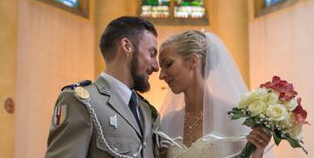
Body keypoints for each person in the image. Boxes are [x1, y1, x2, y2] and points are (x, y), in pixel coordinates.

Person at [45, 16, 160, 157]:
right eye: (152, 53)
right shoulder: (81, 102)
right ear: (127, 46)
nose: (156, 67)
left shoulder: (146, 110)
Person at [157, 30, 272, 158]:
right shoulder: (168, 121)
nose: (161, 75)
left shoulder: (232, 116)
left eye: (168, 64)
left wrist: (258, 151)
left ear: (193, 61)